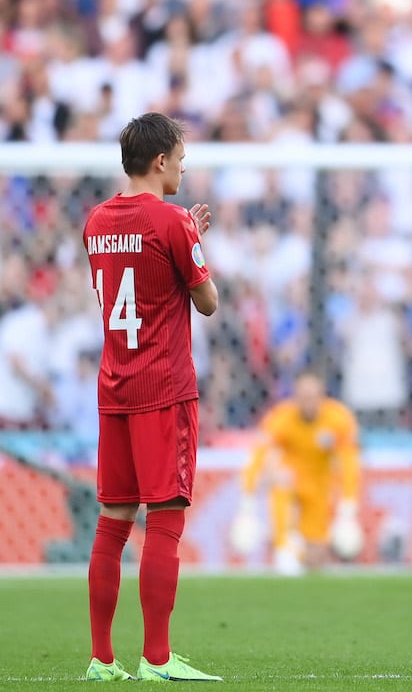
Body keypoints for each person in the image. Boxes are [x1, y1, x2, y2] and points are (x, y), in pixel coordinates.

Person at [82, 113, 222, 682]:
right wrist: (187, 239)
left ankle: (101, 659)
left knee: (113, 520)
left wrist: (179, 235)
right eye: (182, 158)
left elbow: (135, 270)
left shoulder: (95, 221)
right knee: (164, 518)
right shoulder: (172, 223)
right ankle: (158, 659)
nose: (185, 167)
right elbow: (207, 301)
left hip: (114, 385)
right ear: (160, 160)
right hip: (163, 387)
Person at [233, 371, 362, 575]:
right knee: (286, 555)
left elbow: (349, 465)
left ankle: (297, 548)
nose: (308, 402)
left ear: (322, 397)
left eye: (313, 397)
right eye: (303, 397)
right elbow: (258, 457)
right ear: (295, 397)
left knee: (315, 559)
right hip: (289, 481)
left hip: (320, 486)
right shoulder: (281, 418)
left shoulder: (338, 419)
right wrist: (247, 506)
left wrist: (347, 509)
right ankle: (284, 542)